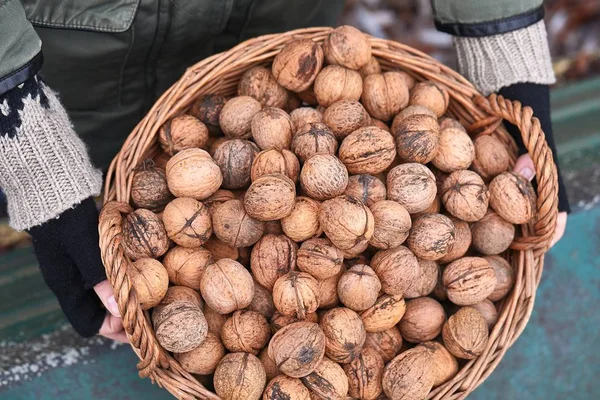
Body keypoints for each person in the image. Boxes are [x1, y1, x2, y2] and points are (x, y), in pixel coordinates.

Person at [0, 0, 569, 343]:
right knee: (112, 206)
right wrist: (23, 137)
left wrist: (504, 39)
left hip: (280, 28)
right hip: (73, 45)